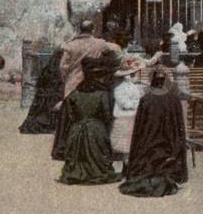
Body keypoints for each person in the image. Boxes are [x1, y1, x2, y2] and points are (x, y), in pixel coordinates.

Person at [119, 70, 189, 197]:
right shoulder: (174, 99)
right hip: (169, 144)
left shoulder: (146, 99)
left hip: (149, 142)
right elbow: (179, 126)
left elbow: (139, 127)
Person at [59, 53, 123, 185]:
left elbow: (70, 116)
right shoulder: (102, 94)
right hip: (96, 130)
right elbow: (107, 116)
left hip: (76, 132)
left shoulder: (74, 93)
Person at [59, 20, 121, 101]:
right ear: (93, 30)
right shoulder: (100, 44)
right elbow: (116, 49)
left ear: (80, 30)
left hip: (73, 84)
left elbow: (63, 66)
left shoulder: (70, 45)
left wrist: (66, 78)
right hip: (94, 84)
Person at [19, 49, 65, 134]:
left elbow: (38, 85)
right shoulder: (61, 72)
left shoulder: (46, 69)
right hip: (52, 99)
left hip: (41, 99)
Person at [111, 58, 145, 171]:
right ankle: (122, 168)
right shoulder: (120, 87)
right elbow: (123, 102)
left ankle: (128, 168)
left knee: (128, 145)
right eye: (134, 74)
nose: (136, 76)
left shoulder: (132, 86)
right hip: (123, 116)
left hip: (131, 117)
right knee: (122, 146)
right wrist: (136, 104)